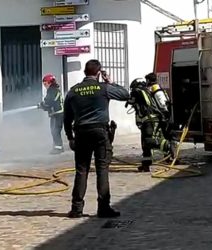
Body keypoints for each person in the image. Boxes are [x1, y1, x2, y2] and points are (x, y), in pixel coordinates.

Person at [63, 59, 129, 218]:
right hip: (100, 132)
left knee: (81, 170)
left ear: (85, 73)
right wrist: (111, 81)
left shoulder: (74, 91)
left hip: (81, 133)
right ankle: (104, 208)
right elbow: (125, 95)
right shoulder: (104, 88)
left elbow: (66, 118)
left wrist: (70, 137)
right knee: (102, 170)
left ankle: (77, 208)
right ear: (99, 73)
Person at [126, 77, 175, 172]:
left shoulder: (137, 91)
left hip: (150, 120)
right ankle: (146, 164)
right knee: (145, 144)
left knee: (148, 141)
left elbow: (131, 100)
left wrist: (127, 98)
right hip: (148, 121)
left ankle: (168, 145)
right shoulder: (146, 91)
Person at [38, 74, 64, 154]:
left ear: (49, 82)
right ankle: (57, 146)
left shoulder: (52, 90)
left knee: (55, 131)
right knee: (54, 130)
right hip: (56, 114)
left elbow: (49, 102)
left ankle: (58, 148)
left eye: (45, 84)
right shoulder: (54, 89)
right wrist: (43, 105)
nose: (45, 86)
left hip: (58, 114)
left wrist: (42, 105)